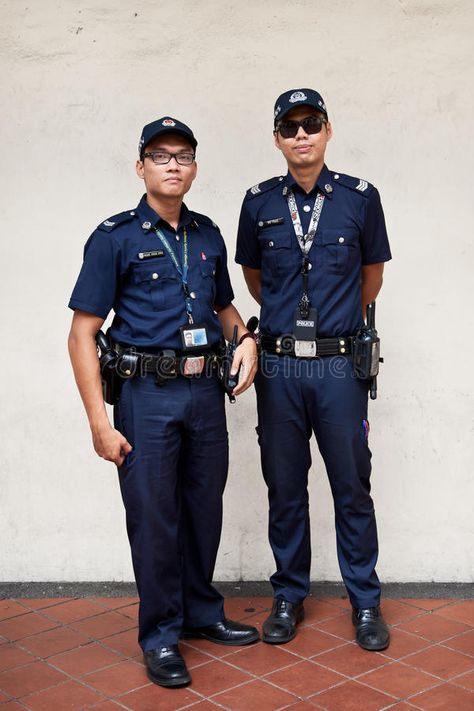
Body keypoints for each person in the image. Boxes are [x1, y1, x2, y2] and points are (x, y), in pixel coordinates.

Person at [68, 116, 259, 688]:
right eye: (160, 155)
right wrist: (99, 423)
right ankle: (160, 634)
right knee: (154, 518)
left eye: (183, 155)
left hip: (204, 392)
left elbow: (223, 310)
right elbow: (82, 334)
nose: (172, 164)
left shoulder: (207, 234)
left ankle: (201, 615)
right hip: (144, 396)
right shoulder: (114, 237)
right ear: (141, 166)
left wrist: (244, 340)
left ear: (195, 167)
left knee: (204, 509)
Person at [235, 89, 392, 651]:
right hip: (279, 367)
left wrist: (336, 326)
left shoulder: (359, 199)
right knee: (285, 486)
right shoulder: (257, 203)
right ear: (277, 137)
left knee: (352, 485)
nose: (301, 134)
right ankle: (287, 595)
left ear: (328, 131)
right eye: (290, 126)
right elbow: (257, 281)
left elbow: (370, 276)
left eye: (312, 123)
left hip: (338, 367)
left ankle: (366, 603)